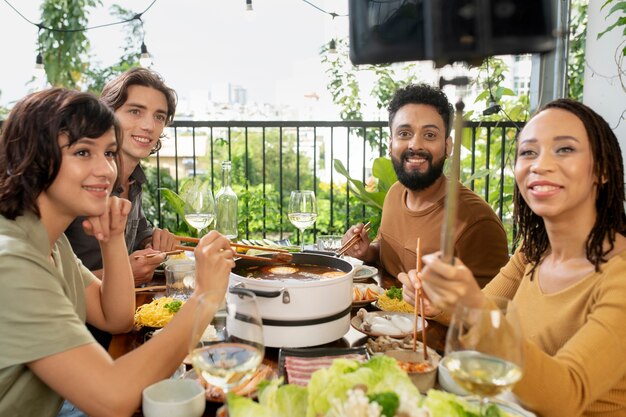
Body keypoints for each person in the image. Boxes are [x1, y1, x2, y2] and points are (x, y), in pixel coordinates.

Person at [0, 88, 234, 417]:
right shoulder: (10, 261)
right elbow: (113, 399)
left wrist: (112, 239)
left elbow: (116, 319)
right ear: (34, 157)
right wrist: (205, 296)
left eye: (109, 153)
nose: (106, 170)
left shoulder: (51, 242)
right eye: (83, 152)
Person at [401, 98, 626, 416]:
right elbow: (486, 317)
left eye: (564, 149)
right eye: (528, 152)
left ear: (602, 169)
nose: (540, 165)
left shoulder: (620, 275)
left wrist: (472, 308)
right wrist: (440, 302)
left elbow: (566, 395)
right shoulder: (534, 251)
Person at [342, 84, 509, 287]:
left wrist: (435, 305)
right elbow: (384, 247)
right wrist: (367, 251)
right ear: (390, 144)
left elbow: (493, 309)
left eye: (429, 135)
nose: (415, 145)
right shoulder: (395, 193)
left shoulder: (477, 223)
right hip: (377, 318)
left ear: (447, 146)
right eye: (404, 133)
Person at [65, 67, 180, 288]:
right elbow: (45, 277)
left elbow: (138, 231)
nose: (148, 126)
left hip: (124, 310)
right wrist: (122, 273)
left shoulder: (134, 180)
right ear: (107, 114)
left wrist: (151, 238)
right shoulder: (77, 181)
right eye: (135, 111)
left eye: (159, 116)